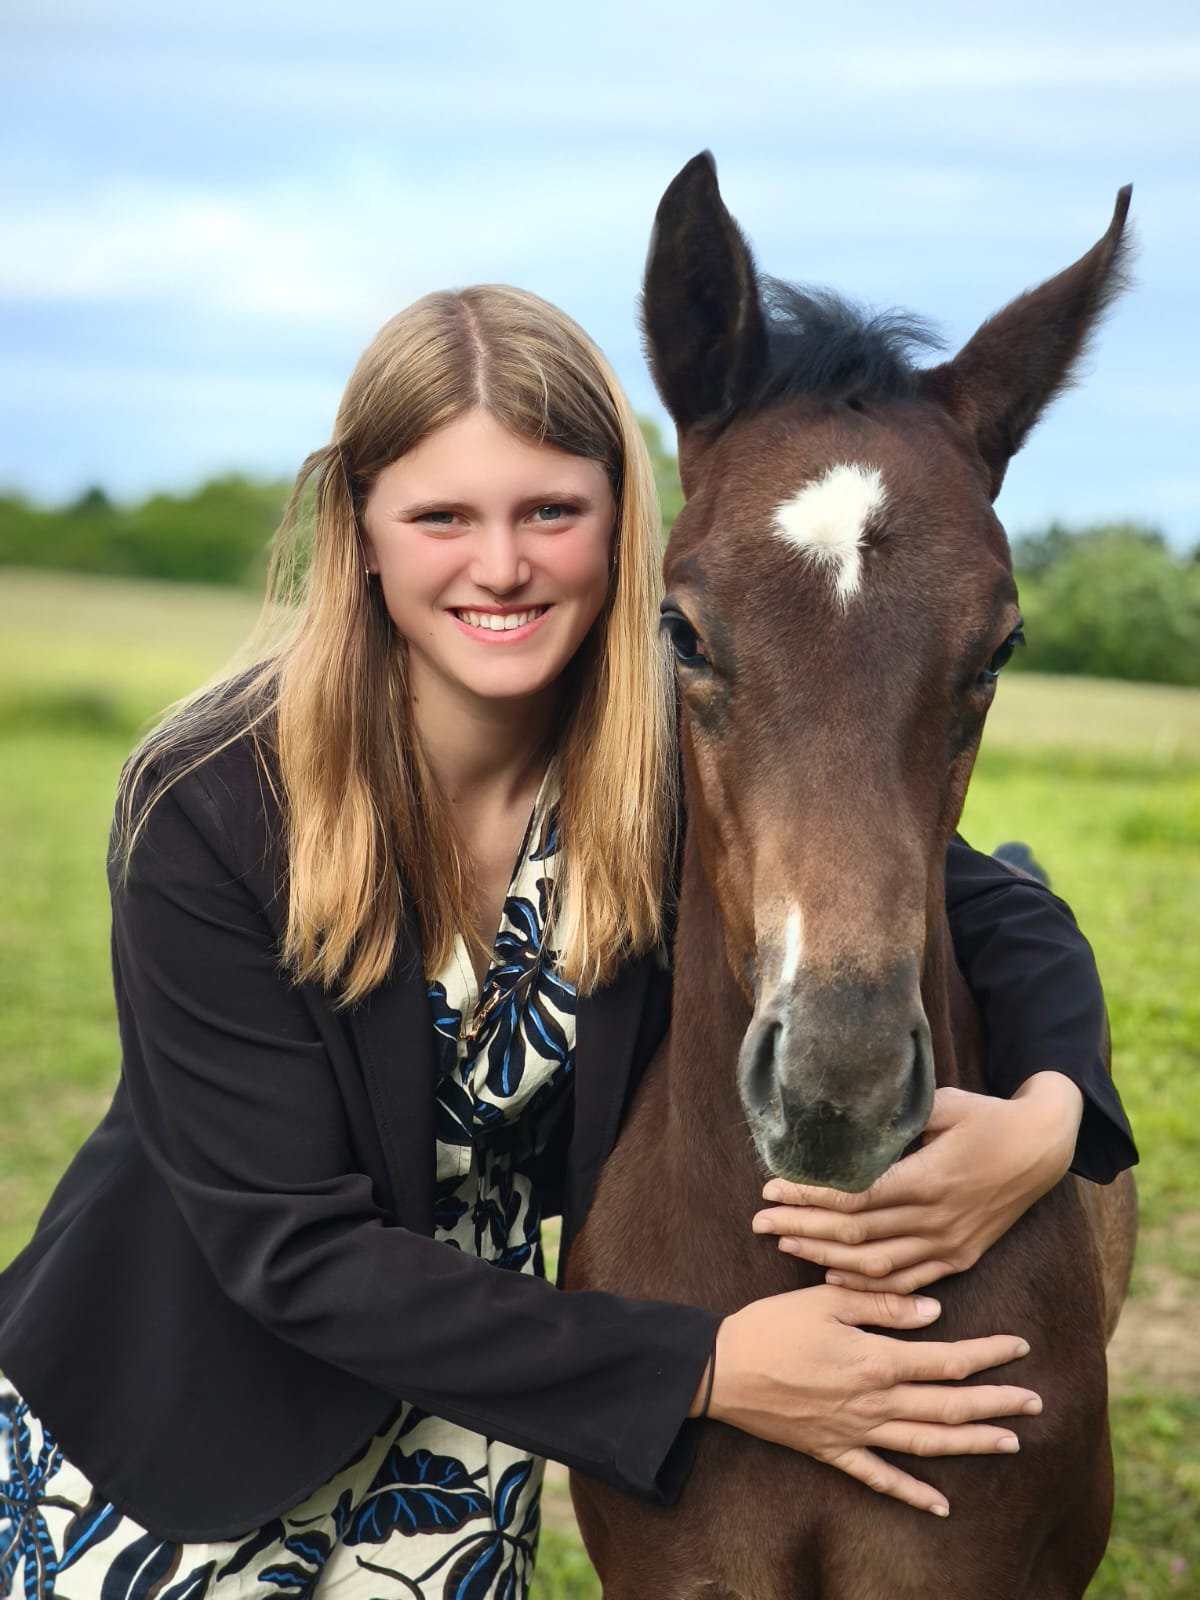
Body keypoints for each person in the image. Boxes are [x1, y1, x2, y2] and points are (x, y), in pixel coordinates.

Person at [0, 285, 1136, 1600]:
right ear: (359, 532)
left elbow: (992, 904)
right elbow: (286, 1248)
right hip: (181, 1421)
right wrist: (714, 1368)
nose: (501, 566)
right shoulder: (206, 804)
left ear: (620, 520)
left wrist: (1052, 1116)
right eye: (442, 517)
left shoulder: (656, 754)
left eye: (550, 511)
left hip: (473, 1423)